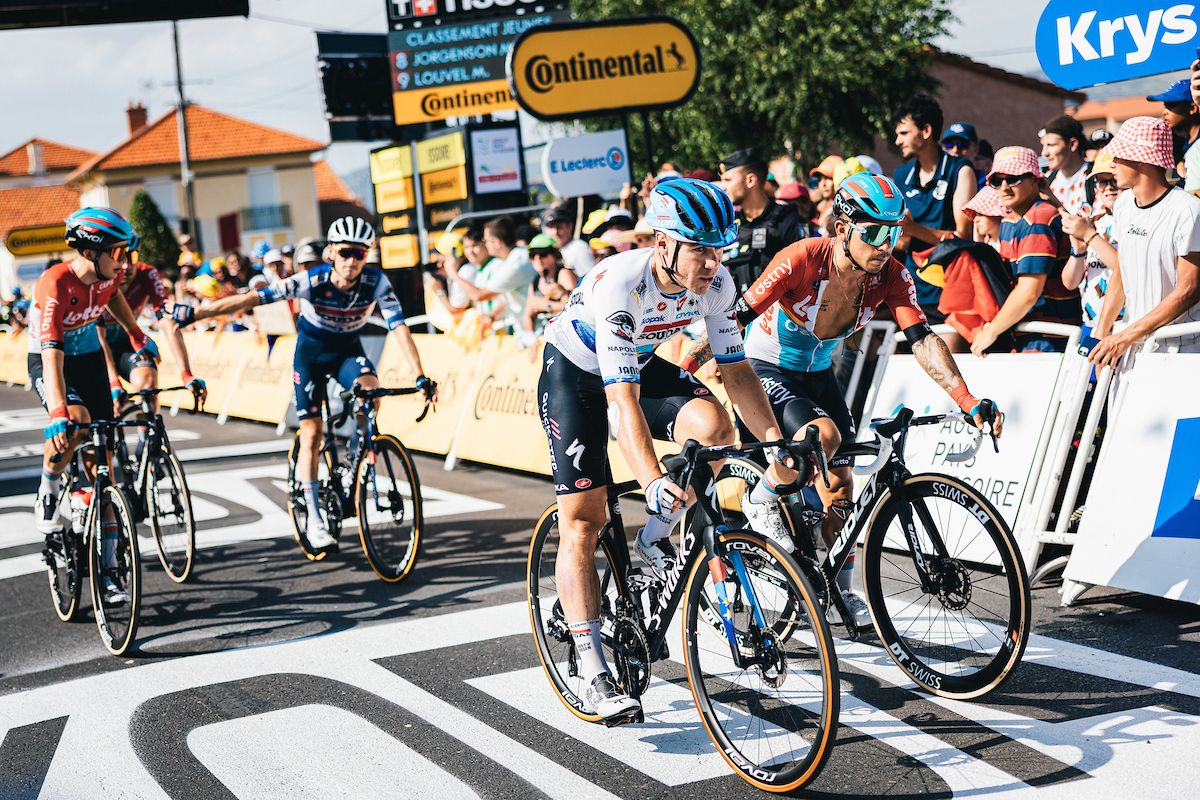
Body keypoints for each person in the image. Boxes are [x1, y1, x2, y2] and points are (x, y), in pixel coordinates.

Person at [686, 172, 1004, 622]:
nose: (885, 244)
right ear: (841, 229)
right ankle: (763, 497)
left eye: (893, 233)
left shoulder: (891, 275)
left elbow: (922, 339)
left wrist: (966, 397)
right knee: (826, 435)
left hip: (817, 372)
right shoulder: (802, 258)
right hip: (766, 367)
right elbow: (732, 319)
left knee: (840, 485)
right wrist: (684, 370)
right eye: (873, 232)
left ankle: (838, 585)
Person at [538, 178, 797, 722]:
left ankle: (656, 544)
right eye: (699, 248)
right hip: (575, 376)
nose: (711, 262)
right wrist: (653, 480)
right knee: (584, 520)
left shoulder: (719, 283)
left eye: (719, 248)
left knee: (715, 427)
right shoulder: (620, 286)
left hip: (634, 364)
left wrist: (774, 444)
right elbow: (622, 402)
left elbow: (738, 371)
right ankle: (591, 670)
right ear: (663, 245)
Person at [180, 216, 437, 550]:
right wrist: (198, 315)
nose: (352, 261)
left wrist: (420, 374)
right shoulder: (311, 280)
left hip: (347, 350)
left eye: (360, 253)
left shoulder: (375, 282)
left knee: (372, 394)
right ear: (331, 252)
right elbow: (251, 300)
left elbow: (399, 328)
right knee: (312, 433)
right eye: (345, 252)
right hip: (311, 355)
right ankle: (314, 518)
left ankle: (360, 451)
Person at [29, 207, 161, 604]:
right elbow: (51, 353)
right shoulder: (54, 283)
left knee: (104, 466)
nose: (123, 261)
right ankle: (49, 485)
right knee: (77, 423)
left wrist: (136, 334)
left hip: (87, 361)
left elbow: (113, 296)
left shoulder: (108, 275)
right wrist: (57, 413)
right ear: (90, 251)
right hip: (52, 360)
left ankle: (108, 573)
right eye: (117, 252)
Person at [1063, 116, 1200, 362]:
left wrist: (1125, 336)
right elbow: (1122, 274)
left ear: (1142, 160)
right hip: (1130, 347)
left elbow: (1189, 289)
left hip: (1180, 349)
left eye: (1119, 155)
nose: (1112, 163)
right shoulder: (1125, 204)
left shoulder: (1188, 209)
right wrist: (1101, 336)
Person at [970, 146, 1080, 355]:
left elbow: (1029, 291)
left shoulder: (1039, 217)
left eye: (1013, 179)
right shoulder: (1009, 221)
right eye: (996, 181)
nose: (1004, 187)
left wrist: (992, 331)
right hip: (1029, 334)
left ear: (1035, 180)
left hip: (1050, 338)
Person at [100, 232, 207, 427]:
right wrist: (114, 382)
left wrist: (186, 373)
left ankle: (147, 445)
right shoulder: (100, 280)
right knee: (104, 413)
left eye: (132, 257)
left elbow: (168, 323)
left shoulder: (147, 274)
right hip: (95, 348)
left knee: (148, 387)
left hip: (127, 343)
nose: (127, 266)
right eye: (119, 257)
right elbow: (99, 338)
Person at [893, 94, 978, 323]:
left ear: (926, 131)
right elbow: (901, 239)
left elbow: (963, 237)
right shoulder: (901, 176)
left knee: (948, 357)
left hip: (952, 289)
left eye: (904, 133)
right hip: (913, 290)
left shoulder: (961, 170)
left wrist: (911, 229)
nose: (898, 141)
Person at [718, 147, 804, 294]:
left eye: (728, 180)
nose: (723, 187)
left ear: (750, 180)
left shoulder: (787, 220)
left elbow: (803, 274)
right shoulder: (730, 224)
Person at [1061, 151, 1122, 334]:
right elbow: (1070, 283)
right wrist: (1078, 250)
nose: (1109, 187)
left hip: (1123, 326)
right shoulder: (1093, 222)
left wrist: (1089, 236)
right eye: (1102, 182)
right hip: (1090, 323)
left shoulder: (1135, 221)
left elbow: (1123, 269)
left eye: (1114, 180)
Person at [446, 216, 538, 333]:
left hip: (534, 330)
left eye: (486, 241)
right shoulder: (515, 257)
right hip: (527, 329)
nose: (486, 244)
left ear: (497, 242)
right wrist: (492, 317)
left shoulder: (515, 262)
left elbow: (479, 295)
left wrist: (453, 274)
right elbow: (504, 299)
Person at [1146, 77, 1200, 191]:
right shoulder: (1172, 143)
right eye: (1165, 106)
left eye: (1171, 106)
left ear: (1192, 108)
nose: (1164, 112)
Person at [520, 233, 573, 342]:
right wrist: (531, 339)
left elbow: (574, 307)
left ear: (554, 255)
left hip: (566, 338)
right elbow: (527, 315)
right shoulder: (535, 281)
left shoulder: (564, 274)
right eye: (533, 255)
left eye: (542, 254)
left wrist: (547, 305)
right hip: (544, 338)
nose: (538, 259)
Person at [1040, 114, 1089, 214]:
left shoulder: (1094, 179)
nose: (1044, 153)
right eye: (1043, 146)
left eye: (1051, 145)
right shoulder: (1047, 181)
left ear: (1072, 144)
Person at [542, 206, 595, 279]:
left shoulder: (578, 248)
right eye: (551, 228)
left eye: (559, 227)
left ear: (569, 226)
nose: (555, 232)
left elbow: (590, 279)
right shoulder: (555, 250)